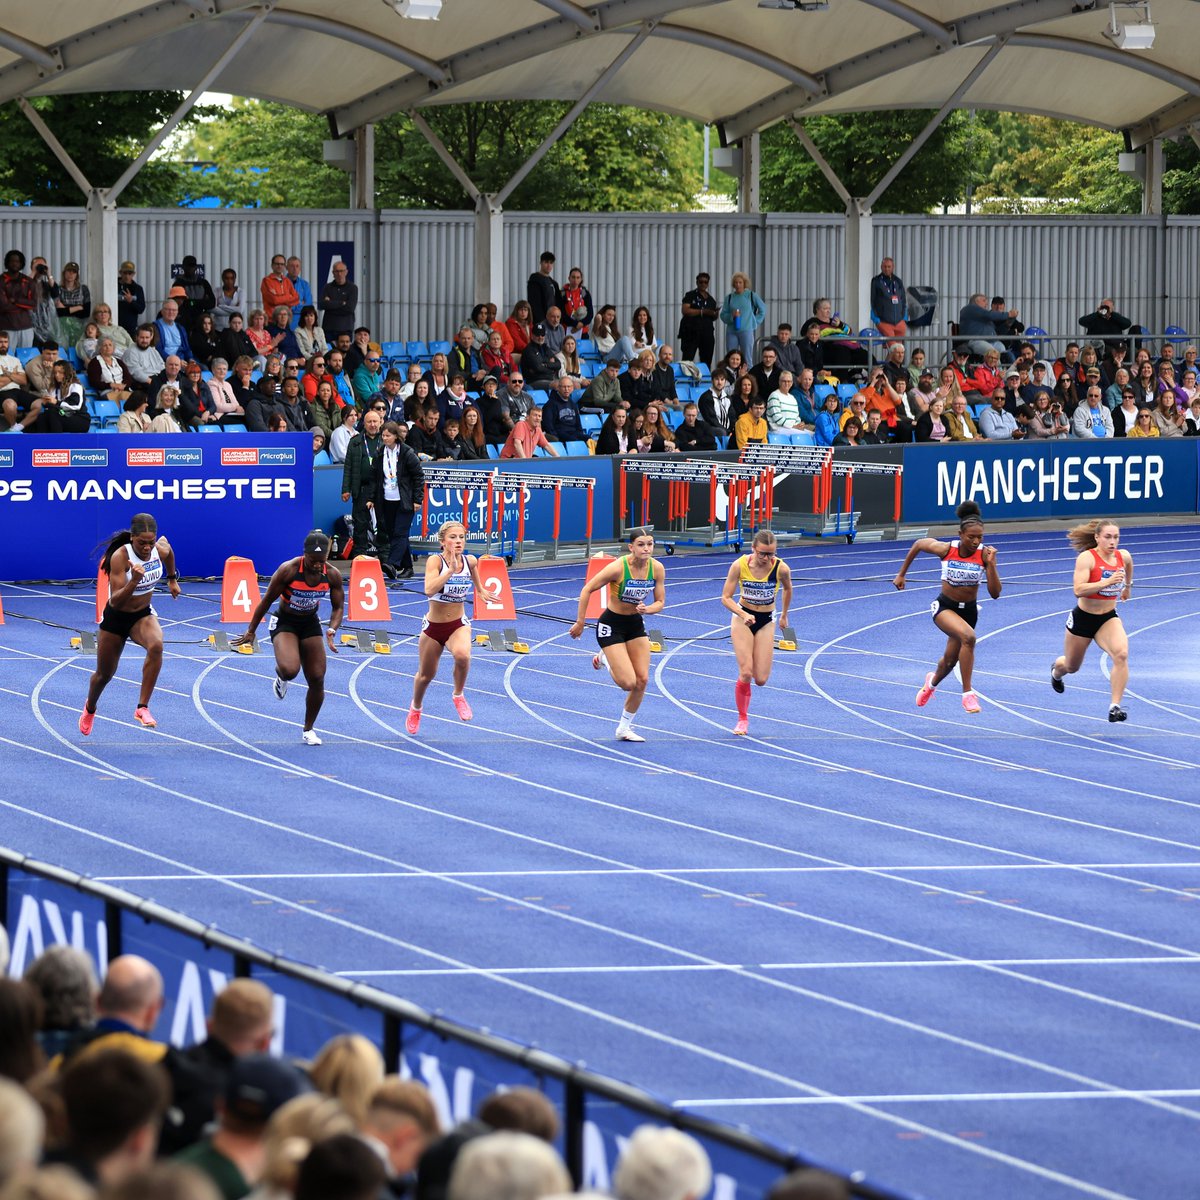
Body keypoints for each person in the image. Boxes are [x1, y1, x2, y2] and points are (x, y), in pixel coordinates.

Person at [231, 532, 345, 746]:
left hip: (310, 623)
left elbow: (338, 607)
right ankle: (281, 676)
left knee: (318, 677)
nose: (318, 566)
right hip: (285, 622)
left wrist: (332, 629)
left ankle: (309, 729)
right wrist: (251, 631)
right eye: (313, 561)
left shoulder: (332, 574)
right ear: (305, 555)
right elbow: (265, 602)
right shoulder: (289, 570)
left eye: (323, 561)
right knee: (290, 670)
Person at [892, 501, 1002, 715]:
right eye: (971, 537)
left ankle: (930, 684)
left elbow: (995, 593)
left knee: (950, 662)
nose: (976, 541)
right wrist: (902, 574)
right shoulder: (945, 549)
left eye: (980, 537)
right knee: (969, 638)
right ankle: (968, 694)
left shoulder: (984, 555)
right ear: (960, 534)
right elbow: (918, 544)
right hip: (945, 608)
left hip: (968, 612)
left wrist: (992, 566)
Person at [80, 514, 180, 735]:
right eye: (141, 543)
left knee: (156, 645)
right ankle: (90, 708)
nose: (146, 548)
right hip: (116, 618)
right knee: (103, 675)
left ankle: (142, 707)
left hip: (142, 615)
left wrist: (172, 579)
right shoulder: (120, 557)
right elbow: (115, 600)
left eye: (150, 543)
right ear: (132, 537)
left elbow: (169, 551)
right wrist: (134, 580)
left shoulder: (158, 549)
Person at [569, 527, 665, 743]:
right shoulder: (618, 568)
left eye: (650, 544)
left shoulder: (657, 568)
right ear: (631, 547)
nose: (646, 548)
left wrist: (648, 609)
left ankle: (624, 728)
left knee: (642, 680)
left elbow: (660, 601)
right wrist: (581, 621)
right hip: (611, 625)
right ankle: (604, 658)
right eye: (641, 544)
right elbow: (587, 589)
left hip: (634, 625)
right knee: (627, 683)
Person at [1050, 519, 1133, 722]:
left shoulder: (1123, 556)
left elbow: (1129, 565)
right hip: (1083, 619)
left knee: (1121, 654)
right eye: (1108, 537)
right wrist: (1107, 582)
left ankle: (1115, 707)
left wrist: (1128, 586)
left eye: (1116, 537)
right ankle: (1056, 671)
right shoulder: (1087, 558)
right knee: (1071, 666)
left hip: (1107, 618)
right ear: (1097, 537)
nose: (1112, 541)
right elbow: (1078, 590)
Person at [406, 522, 483, 735]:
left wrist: (481, 590)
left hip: (457, 624)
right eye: (453, 537)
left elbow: (474, 571)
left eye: (461, 537)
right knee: (426, 675)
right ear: (442, 542)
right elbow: (429, 590)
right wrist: (449, 571)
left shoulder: (470, 560)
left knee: (462, 656)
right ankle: (416, 708)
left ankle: (458, 695)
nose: (458, 541)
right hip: (433, 627)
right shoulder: (435, 561)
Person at [720, 530, 793, 736]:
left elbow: (788, 589)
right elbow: (725, 598)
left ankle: (745, 711)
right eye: (763, 554)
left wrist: (784, 615)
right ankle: (742, 719)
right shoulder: (739, 565)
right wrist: (742, 614)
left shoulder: (781, 568)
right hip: (743, 618)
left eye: (771, 554)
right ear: (753, 549)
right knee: (746, 672)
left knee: (760, 679)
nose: (767, 559)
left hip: (766, 620)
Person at [371, 421, 424, 579]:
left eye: (388, 435)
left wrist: (417, 499)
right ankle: (408, 567)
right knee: (395, 534)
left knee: (400, 532)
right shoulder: (381, 453)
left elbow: (419, 476)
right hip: (387, 499)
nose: (385, 438)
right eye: (383, 435)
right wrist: (371, 498)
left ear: (396, 436)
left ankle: (392, 564)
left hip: (405, 500)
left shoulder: (407, 452)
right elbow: (375, 478)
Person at [719, 272, 765, 360]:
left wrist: (754, 322)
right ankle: (731, 373)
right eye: (736, 282)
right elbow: (723, 315)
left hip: (746, 330)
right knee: (731, 357)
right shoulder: (729, 298)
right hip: (731, 331)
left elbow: (763, 309)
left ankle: (748, 373)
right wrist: (731, 316)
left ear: (744, 283)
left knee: (747, 358)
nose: (738, 285)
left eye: (740, 282)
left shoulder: (751, 295)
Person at [677, 272, 719, 365]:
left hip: (707, 333)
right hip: (690, 332)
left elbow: (712, 317)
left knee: (707, 360)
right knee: (687, 359)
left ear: (708, 284)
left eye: (705, 282)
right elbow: (685, 310)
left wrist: (715, 314)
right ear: (697, 282)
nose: (703, 284)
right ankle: (685, 379)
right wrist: (703, 311)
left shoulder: (711, 300)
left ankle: (705, 378)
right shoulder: (690, 295)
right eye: (701, 282)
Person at [870, 257, 907, 338]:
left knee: (899, 348)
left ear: (893, 267)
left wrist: (904, 317)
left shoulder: (898, 281)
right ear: (881, 267)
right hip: (884, 321)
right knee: (893, 346)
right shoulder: (876, 281)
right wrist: (877, 320)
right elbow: (873, 301)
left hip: (899, 321)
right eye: (885, 266)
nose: (887, 269)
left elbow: (903, 300)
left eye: (889, 267)